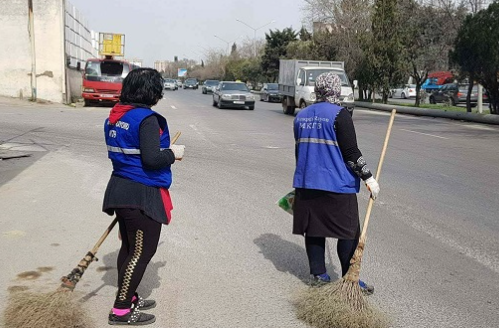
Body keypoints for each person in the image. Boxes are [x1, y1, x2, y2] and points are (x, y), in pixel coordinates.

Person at [102, 68, 185, 325]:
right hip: (141, 193)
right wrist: (174, 153)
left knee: (129, 248)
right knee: (142, 251)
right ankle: (121, 310)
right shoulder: (146, 119)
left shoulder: (115, 117)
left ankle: (129, 296)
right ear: (151, 91)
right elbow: (152, 160)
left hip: (120, 187)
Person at [292, 72, 379, 294]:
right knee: (349, 232)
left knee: (314, 229)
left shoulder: (300, 116)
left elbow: (300, 151)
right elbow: (351, 153)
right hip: (336, 186)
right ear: (337, 90)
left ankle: (319, 275)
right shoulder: (340, 114)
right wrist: (368, 177)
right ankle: (349, 279)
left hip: (306, 183)